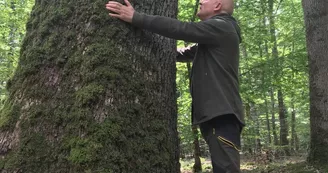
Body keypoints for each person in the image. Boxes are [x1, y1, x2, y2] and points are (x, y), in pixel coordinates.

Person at [105, 0, 245, 172]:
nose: (200, 1)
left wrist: (136, 18)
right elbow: (185, 52)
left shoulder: (222, 27)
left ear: (217, 6)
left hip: (222, 116)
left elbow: (182, 28)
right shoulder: (214, 36)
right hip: (218, 115)